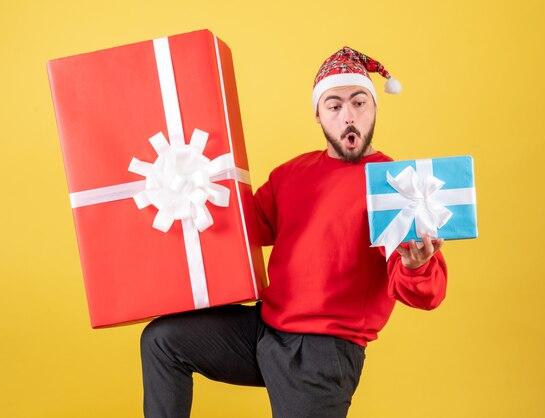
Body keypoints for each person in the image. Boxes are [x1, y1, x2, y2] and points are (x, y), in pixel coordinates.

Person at [140, 46, 448, 418]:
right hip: (263, 330)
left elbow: (427, 294)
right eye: (334, 106)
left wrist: (416, 265)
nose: (347, 116)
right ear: (318, 115)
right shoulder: (291, 174)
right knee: (162, 340)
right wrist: (188, 185)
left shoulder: (395, 183)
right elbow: (243, 228)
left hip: (323, 351)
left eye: (358, 103)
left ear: (374, 109)